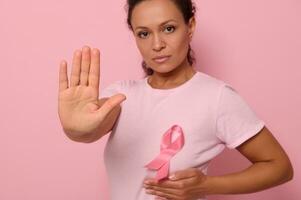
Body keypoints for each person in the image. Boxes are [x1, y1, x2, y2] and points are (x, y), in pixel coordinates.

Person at [57, 0, 294, 199]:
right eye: (144, 33)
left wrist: (207, 185)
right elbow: (87, 130)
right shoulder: (121, 96)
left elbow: (279, 167)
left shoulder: (216, 97)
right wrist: (73, 127)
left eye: (168, 28)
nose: (157, 44)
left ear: (189, 26)